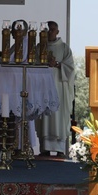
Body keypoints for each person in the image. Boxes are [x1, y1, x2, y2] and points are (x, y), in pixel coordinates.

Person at [36, 20, 74, 157]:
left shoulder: (64, 48)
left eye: (52, 29)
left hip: (58, 88)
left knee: (57, 116)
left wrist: (57, 64)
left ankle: (59, 149)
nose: (49, 32)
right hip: (42, 88)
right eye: (47, 30)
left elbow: (70, 68)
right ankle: (44, 148)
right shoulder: (38, 48)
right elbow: (32, 66)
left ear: (57, 31)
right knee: (45, 118)